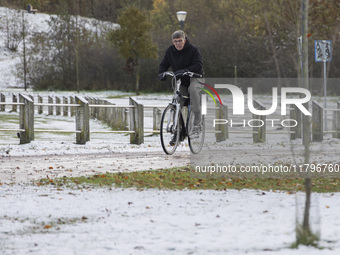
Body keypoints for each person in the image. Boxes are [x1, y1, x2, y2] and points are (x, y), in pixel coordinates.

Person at [158, 30, 204, 144]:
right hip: (182, 81)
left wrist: (186, 71)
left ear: (185, 40)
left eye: (180, 41)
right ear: (172, 42)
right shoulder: (170, 51)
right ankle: (179, 133)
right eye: (175, 41)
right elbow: (164, 64)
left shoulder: (193, 50)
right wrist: (162, 73)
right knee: (177, 101)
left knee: (193, 90)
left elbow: (198, 65)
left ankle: (198, 119)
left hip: (196, 78)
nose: (178, 43)